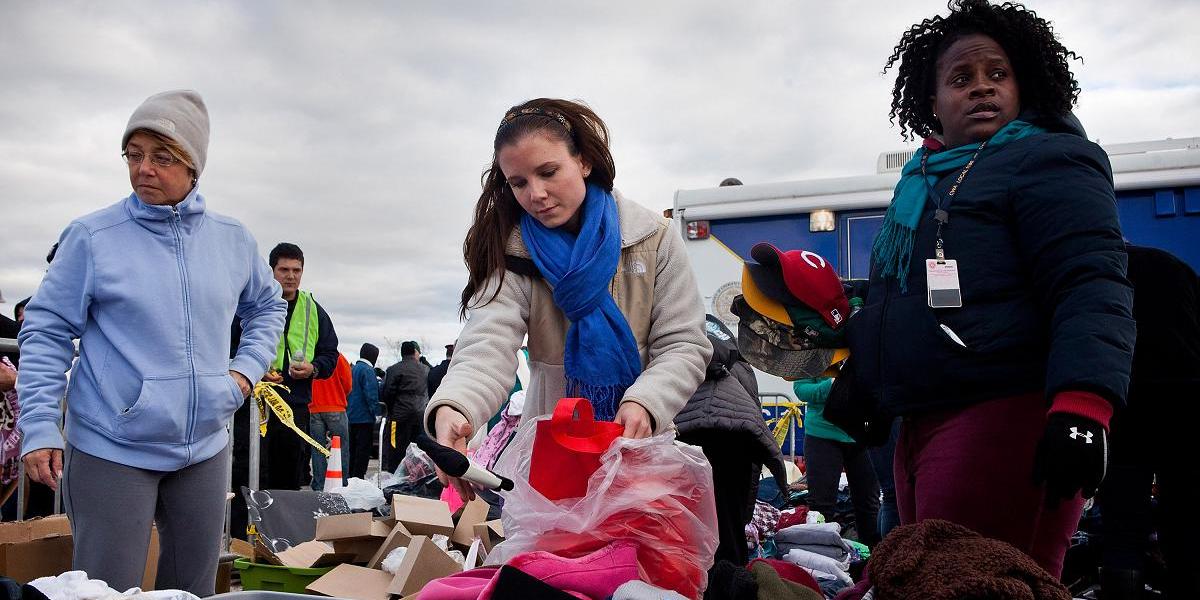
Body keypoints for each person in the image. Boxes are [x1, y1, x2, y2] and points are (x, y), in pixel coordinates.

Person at [848, 0, 1136, 577]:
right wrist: (864, 378)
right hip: (921, 421)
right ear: (932, 104)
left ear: (1023, 84)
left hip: (1006, 412)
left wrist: (1084, 403)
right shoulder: (922, 182)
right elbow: (900, 299)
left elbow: (1089, 281)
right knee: (925, 582)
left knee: (978, 583)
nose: (982, 89)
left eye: (997, 74)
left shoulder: (1048, 158)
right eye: (961, 78)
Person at [16, 90, 285, 593]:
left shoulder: (233, 240)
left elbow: (269, 306)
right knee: (106, 590)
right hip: (111, 446)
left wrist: (243, 373)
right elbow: (47, 330)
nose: (144, 169)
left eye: (163, 157)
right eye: (134, 155)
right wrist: (38, 426)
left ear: (194, 166)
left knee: (193, 589)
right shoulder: (92, 237)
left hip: (204, 446)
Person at [426, 98, 712, 500]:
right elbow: (487, 345)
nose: (536, 194)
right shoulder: (513, 252)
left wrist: (646, 404)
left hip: (639, 445)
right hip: (551, 455)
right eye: (518, 183)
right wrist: (455, 408)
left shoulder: (654, 238)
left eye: (548, 172)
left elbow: (683, 343)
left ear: (584, 162)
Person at [1098, 244, 1200, 598]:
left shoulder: (1100, 270)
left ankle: (1122, 585)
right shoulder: (1171, 263)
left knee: (1123, 517)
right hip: (1186, 399)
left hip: (1130, 400)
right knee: (1186, 513)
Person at [261, 242, 339, 490]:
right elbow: (229, 347)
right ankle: (245, 528)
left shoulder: (313, 310)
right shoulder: (252, 304)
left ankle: (283, 529)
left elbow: (329, 354)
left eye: (296, 270)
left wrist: (313, 368)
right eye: (284, 269)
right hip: (256, 406)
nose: (291, 276)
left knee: (290, 473)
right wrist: (254, 370)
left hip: (294, 406)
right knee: (251, 469)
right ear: (271, 270)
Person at [794, 376, 881, 547]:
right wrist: (831, 385)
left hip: (863, 433)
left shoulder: (867, 350)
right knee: (821, 505)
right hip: (822, 434)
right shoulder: (814, 352)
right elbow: (801, 389)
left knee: (869, 503)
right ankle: (820, 561)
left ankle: (872, 562)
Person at [381, 341, 428, 471]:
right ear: (415, 352)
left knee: (395, 447)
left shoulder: (393, 369)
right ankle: (417, 476)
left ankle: (395, 474)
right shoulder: (425, 369)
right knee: (418, 449)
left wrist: (392, 409)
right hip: (420, 415)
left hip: (399, 415)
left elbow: (387, 393)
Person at [308, 353, 351, 490]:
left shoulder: (311, 357)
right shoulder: (338, 358)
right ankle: (341, 483)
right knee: (341, 448)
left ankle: (320, 484)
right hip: (336, 406)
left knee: (317, 448)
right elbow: (348, 384)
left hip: (315, 408)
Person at [346, 342, 381, 479]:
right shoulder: (367, 370)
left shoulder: (353, 369)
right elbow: (371, 394)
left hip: (351, 415)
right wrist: (376, 412)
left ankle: (350, 476)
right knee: (363, 449)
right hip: (364, 417)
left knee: (352, 449)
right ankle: (358, 477)